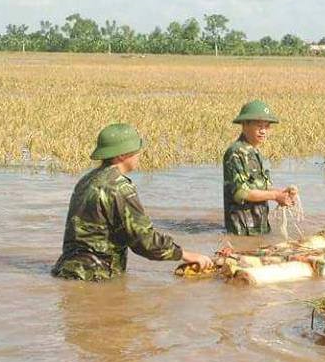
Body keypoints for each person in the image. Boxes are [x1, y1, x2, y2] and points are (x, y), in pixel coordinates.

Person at [52, 123, 212, 281]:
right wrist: (186, 255)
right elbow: (144, 242)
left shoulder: (87, 179)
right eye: (136, 150)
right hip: (95, 276)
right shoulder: (119, 188)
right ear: (121, 155)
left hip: (67, 270)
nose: (139, 155)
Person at [223, 100, 295, 235]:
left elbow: (261, 188)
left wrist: (283, 194)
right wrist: (275, 195)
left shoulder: (254, 152)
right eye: (258, 126)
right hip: (242, 232)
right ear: (244, 125)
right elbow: (241, 193)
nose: (263, 131)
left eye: (267, 126)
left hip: (258, 229)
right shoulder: (236, 153)